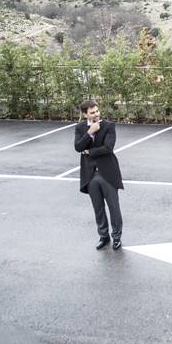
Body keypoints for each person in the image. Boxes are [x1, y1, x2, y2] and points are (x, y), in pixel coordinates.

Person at [74, 99, 124, 250]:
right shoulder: (80, 128)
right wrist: (90, 132)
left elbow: (108, 148)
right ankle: (104, 236)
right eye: (92, 112)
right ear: (85, 114)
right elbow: (77, 147)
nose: (96, 114)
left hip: (108, 173)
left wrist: (89, 151)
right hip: (90, 175)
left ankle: (116, 237)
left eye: (97, 111)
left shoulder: (109, 126)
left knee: (114, 207)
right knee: (98, 208)